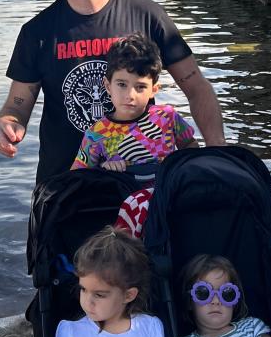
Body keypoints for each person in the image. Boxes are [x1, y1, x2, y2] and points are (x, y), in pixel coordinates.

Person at [0, 0, 225, 184]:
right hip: (65, 190)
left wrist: (218, 153)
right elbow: (18, 104)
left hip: (144, 186)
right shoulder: (37, 32)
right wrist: (8, 123)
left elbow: (196, 87)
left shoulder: (149, 17)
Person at [71, 34, 198, 236]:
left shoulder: (168, 117)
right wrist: (103, 169)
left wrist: (178, 163)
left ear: (154, 90)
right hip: (123, 219)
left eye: (140, 87)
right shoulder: (96, 134)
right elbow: (76, 177)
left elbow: (191, 146)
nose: (130, 95)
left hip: (169, 206)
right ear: (107, 85)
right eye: (121, 84)